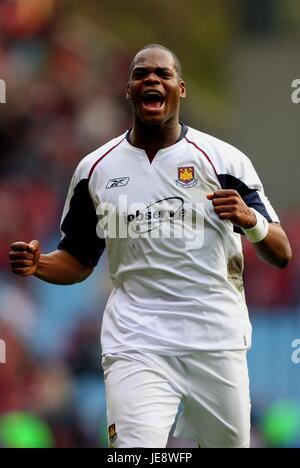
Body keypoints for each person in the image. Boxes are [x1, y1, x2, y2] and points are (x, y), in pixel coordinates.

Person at [9, 44, 292, 448]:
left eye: (162, 73)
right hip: (136, 340)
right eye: (142, 74)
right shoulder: (95, 170)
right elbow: (77, 260)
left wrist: (251, 222)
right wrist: (39, 265)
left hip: (215, 338)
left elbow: (281, 253)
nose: (152, 80)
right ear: (128, 90)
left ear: (181, 88)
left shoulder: (224, 161)